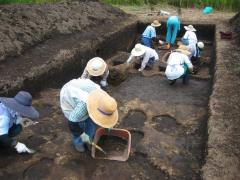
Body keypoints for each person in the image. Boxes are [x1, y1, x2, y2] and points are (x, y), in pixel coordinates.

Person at [60, 78, 118, 152]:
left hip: (81, 91)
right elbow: (72, 122)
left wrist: (109, 124)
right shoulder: (83, 105)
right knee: (80, 125)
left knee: (91, 122)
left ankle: (89, 138)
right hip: (69, 96)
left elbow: (107, 111)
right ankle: (78, 142)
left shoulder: (104, 98)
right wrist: (81, 134)